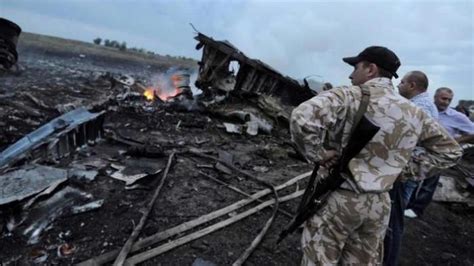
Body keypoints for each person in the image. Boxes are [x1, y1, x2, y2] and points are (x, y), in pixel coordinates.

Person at [290, 46, 462, 265]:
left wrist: (318, 153)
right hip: (380, 204)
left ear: (371, 69)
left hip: (341, 196)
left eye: (355, 68)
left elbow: (302, 117)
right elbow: (451, 151)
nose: (351, 75)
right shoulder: (414, 112)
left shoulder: (349, 95)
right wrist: (404, 171)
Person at [382, 70, 439, 266]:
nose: (399, 85)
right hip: (407, 170)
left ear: (412, 86)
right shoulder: (423, 106)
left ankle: (387, 261)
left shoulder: (418, 108)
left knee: (392, 221)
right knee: (392, 219)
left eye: (403, 82)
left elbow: (408, 142)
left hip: (404, 173)